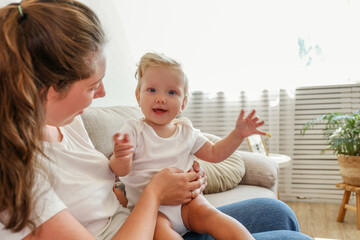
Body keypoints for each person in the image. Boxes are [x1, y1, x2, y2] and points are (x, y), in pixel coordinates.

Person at [0, 1, 313, 240]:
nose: (103, 93)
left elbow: (101, 186)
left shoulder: (66, 121)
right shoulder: (19, 175)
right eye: (93, 86)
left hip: (141, 216)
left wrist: (179, 183)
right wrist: (155, 192)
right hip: (144, 226)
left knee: (277, 212)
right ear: (47, 90)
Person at [110, 52, 266, 240]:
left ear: (183, 102)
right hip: (153, 212)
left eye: (171, 92)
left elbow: (215, 153)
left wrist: (237, 135)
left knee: (214, 217)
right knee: (162, 233)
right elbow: (120, 171)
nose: (161, 98)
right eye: (152, 90)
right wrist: (121, 157)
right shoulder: (134, 130)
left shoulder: (186, 130)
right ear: (138, 96)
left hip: (189, 203)